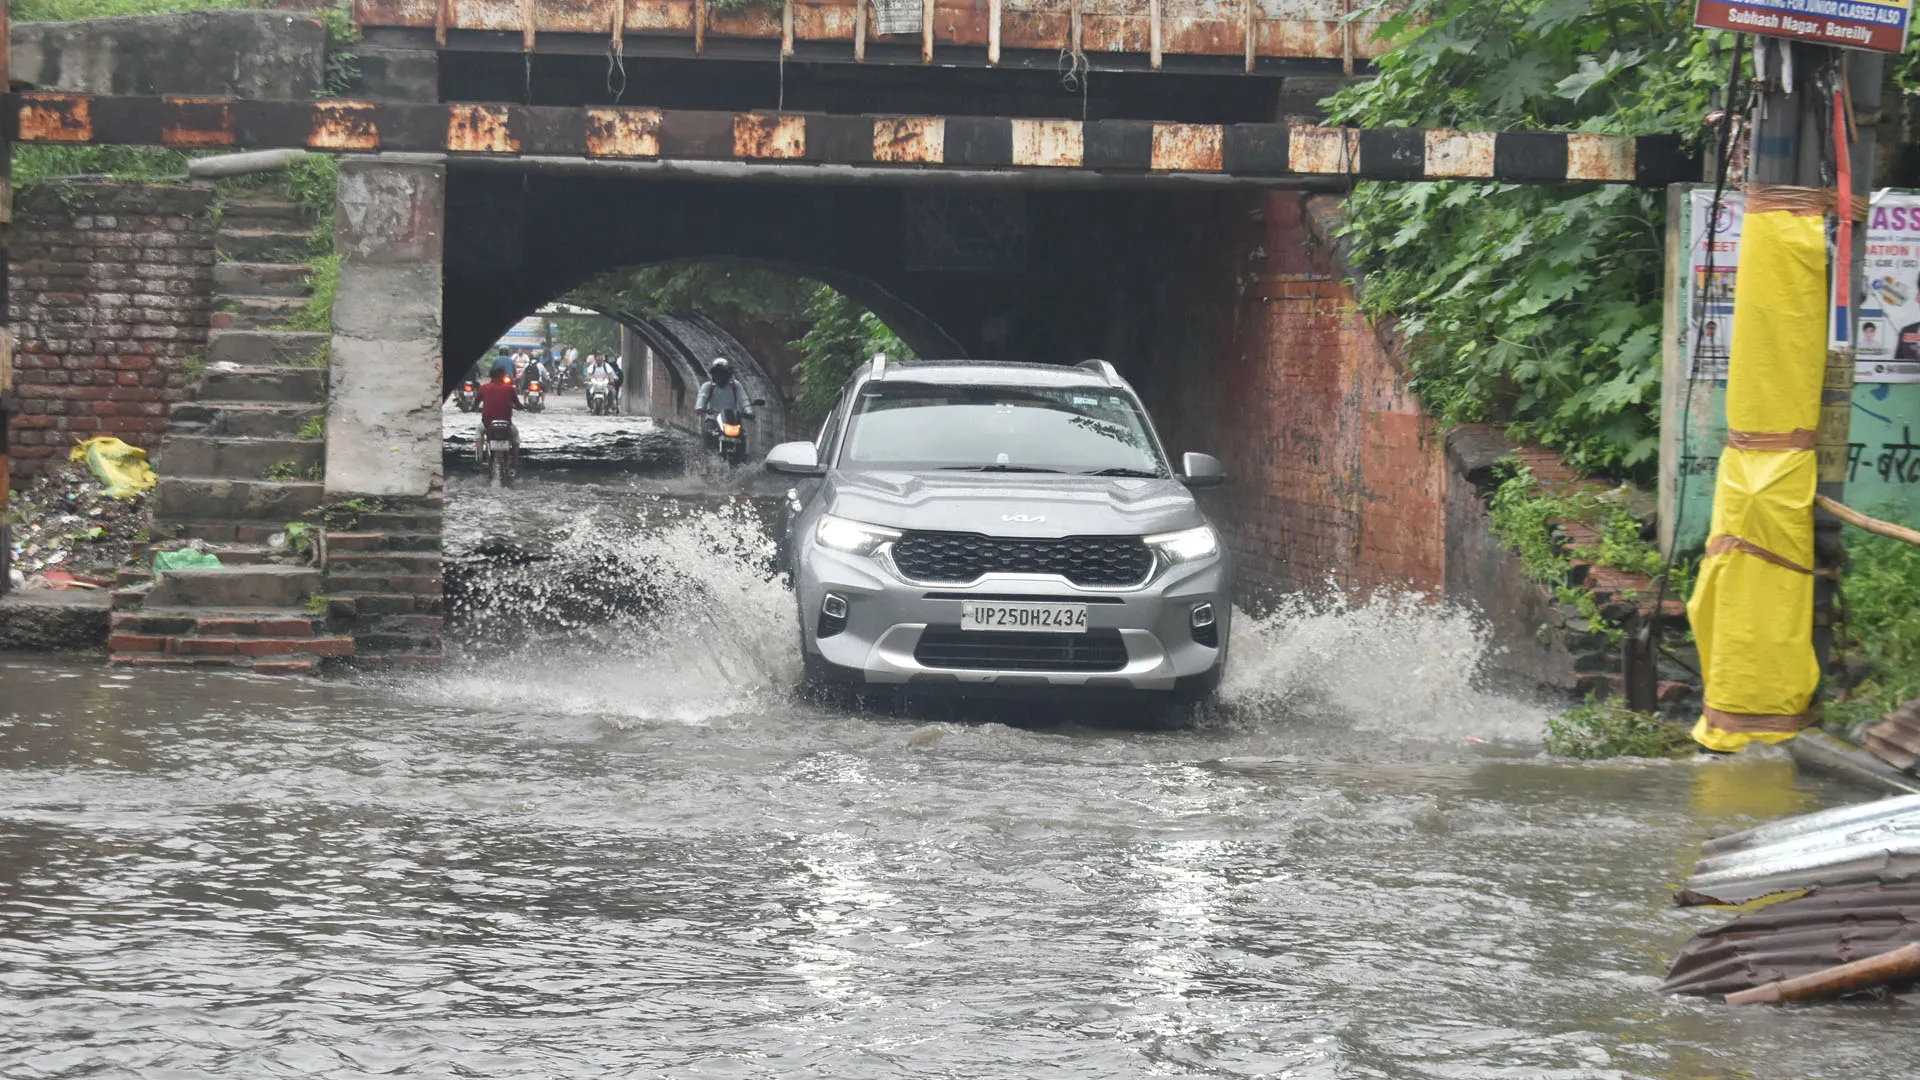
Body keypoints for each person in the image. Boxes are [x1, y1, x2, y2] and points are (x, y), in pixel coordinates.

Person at [696, 357, 753, 443]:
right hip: (713, 418)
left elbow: (743, 399)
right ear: (713, 374)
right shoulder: (708, 386)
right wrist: (700, 407)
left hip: (731, 419)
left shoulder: (735, 385)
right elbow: (702, 397)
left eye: (722, 373)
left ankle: (742, 454)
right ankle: (705, 454)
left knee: (742, 435)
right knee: (707, 432)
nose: (720, 376)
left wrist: (748, 411)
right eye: (717, 373)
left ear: (728, 374)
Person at [475, 362, 520, 461]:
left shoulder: (484, 388)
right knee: (515, 436)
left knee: (479, 432)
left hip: (487, 424)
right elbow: (518, 404)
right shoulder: (509, 389)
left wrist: (474, 408)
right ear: (503, 376)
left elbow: (476, 402)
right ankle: (515, 461)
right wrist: (522, 407)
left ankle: (480, 456)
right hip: (506, 424)